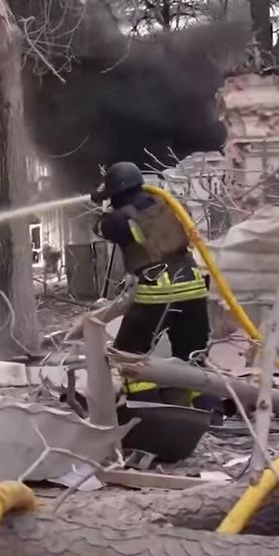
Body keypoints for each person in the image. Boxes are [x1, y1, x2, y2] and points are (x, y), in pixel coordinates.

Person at [90, 162, 211, 406]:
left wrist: (104, 207)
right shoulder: (169, 207)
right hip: (194, 286)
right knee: (192, 357)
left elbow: (100, 228)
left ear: (116, 193)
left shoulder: (118, 219)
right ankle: (209, 414)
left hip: (158, 290)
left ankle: (146, 409)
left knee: (128, 355)